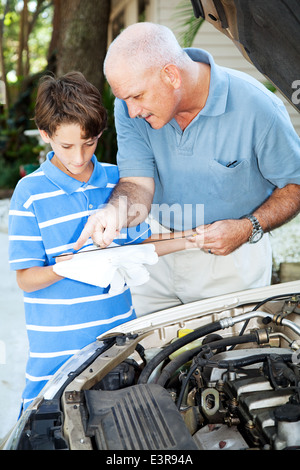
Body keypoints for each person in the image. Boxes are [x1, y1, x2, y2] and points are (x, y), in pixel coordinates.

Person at [75, 22, 300, 316]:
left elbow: (294, 186)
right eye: (124, 99)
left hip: (229, 259)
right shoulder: (130, 109)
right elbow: (137, 185)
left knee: (228, 360)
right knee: (153, 359)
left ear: (171, 76)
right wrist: (113, 213)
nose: (132, 111)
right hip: (156, 253)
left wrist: (248, 227)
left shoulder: (259, 108)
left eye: (137, 97)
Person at [8, 71, 194, 411]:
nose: (79, 157)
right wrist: (65, 269)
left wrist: (193, 239)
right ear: (46, 134)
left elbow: (141, 245)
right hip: (56, 359)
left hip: (116, 348)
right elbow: (26, 278)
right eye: (66, 146)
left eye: (89, 142)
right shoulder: (30, 193)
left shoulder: (116, 180)